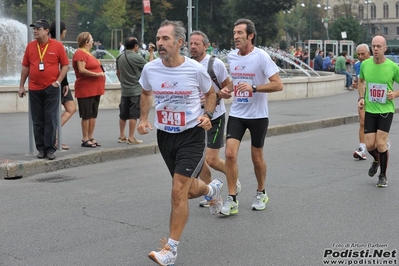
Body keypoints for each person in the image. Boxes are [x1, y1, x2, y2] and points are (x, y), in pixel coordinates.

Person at [137, 20, 223, 265]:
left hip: (191, 135)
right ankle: (211, 189)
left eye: (165, 39)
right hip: (165, 136)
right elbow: (145, 92)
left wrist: (207, 116)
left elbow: (210, 93)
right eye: (158, 38)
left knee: (177, 192)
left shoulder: (194, 69)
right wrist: (143, 118)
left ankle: (170, 251)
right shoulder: (150, 69)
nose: (160, 43)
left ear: (179, 43)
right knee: (188, 189)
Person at [218, 18, 283, 216]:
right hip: (237, 112)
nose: (236, 36)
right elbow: (236, 82)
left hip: (258, 115)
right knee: (229, 153)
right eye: (234, 33)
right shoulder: (231, 56)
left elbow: (278, 84)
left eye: (240, 33)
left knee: (256, 157)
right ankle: (232, 198)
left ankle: (261, 192)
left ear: (250, 35)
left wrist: (254, 87)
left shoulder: (261, 56)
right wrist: (226, 90)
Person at [189, 30, 242, 208]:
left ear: (205, 46)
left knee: (211, 159)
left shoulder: (214, 64)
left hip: (215, 116)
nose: (193, 47)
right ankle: (211, 194)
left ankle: (232, 179)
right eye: (191, 43)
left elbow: (229, 86)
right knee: (199, 159)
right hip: (195, 118)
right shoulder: (187, 64)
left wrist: (216, 96)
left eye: (197, 44)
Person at [18, 19, 69, 160]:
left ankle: (50, 149)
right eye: (34, 28)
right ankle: (40, 148)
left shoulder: (57, 46)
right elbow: (25, 67)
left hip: (51, 88)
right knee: (38, 120)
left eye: (38, 28)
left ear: (46, 31)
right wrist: (21, 86)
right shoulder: (30, 47)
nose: (35, 31)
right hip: (34, 88)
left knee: (51, 118)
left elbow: (65, 65)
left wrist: (58, 82)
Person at [358, 35, 399, 187]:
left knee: (381, 144)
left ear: (385, 49)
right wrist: (361, 97)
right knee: (369, 145)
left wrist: (394, 94)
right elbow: (361, 81)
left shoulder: (393, 67)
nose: (375, 49)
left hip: (386, 110)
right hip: (370, 110)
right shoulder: (365, 65)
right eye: (373, 46)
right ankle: (376, 159)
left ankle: (383, 175)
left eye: (379, 46)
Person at [72, 32, 106, 148]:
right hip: (86, 89)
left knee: (93, 114)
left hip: (95, 89)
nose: (92, 41)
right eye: (91, 40)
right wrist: (96, 75)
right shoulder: (80, 53)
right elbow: (81, 70)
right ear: (86, 42)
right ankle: (85, 138)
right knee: (86, 114)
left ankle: (91, 137)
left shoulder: (88, 54)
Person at [49, 21, 77, 150]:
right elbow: (62, 66)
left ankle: (53, 137)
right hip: (59, 82)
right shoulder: (57, 45)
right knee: (70, 108)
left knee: (65, 109)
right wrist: (64, 83)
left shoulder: (49, 43)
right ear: (62, 31)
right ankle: (53, 137)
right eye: (65, 30)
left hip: (56, 81)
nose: (65, 33)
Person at [115, 36, 146, 144]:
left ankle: (121, 136)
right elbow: (149, 68)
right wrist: (151, 53)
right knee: (133, 114)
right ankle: (131, 137)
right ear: (136, 46)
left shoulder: (119, 57)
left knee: (123, 114)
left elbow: (117, 73)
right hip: (135, 90)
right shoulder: (136, 57)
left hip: (124, 90)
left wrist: (123, 82)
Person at [352, 44, 371, 160]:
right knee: (363, 122)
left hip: (376, 99)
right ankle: (362, 149)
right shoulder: (357, 65)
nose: (360, 56)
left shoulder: (375, 64)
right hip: (363, 98)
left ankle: (381, 142)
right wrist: (356, 86)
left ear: (368, 53)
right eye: (358, 54)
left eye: (363, 54)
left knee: (376, 124)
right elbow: (359, 82)